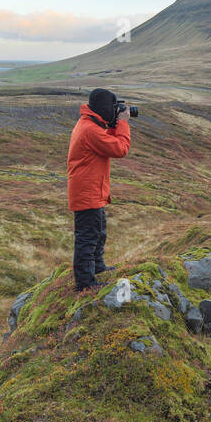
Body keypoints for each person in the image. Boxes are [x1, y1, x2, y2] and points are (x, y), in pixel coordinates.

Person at [66, 88, 131, 291]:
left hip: (91, 192)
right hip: (88, 193)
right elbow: (120, 148)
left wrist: (114, 124)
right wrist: (123, 123)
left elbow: (106, 139)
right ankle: (85, 283)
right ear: (105, 108)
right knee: (87, 237)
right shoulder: (89, 130)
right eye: (112, 108)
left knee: (98, 232)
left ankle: (98, 268)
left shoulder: (89, 124)